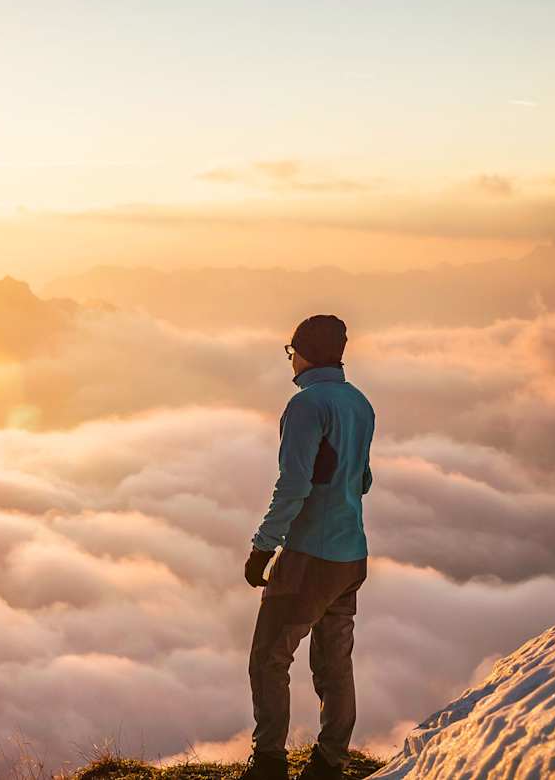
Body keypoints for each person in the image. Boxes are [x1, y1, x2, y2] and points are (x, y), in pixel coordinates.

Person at [239, 315, 375, 780]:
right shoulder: (360, 403)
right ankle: (329, 762)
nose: (289, 358)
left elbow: (293, 484)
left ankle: (270, 764)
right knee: (334, 664)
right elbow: (364, 480)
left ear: (303, 352)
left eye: (290, 349)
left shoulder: (306, 406)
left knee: (269, 658)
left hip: (308, 558)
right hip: (351, 554)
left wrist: (263, 547)